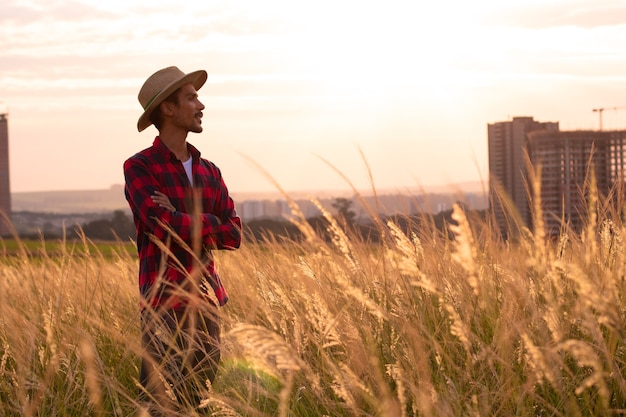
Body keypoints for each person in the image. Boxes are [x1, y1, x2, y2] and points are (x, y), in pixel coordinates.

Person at [123, 66, 242, 414]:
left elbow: (234, 234)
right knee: (157, 407)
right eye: (191, 97)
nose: (200, 105)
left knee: (200, 404)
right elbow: (161, 227)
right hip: (163, 304)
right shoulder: (140, 167)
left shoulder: (210, 171)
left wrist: (182, 216)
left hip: (206, 302)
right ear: (168, 109)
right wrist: (208, 222)